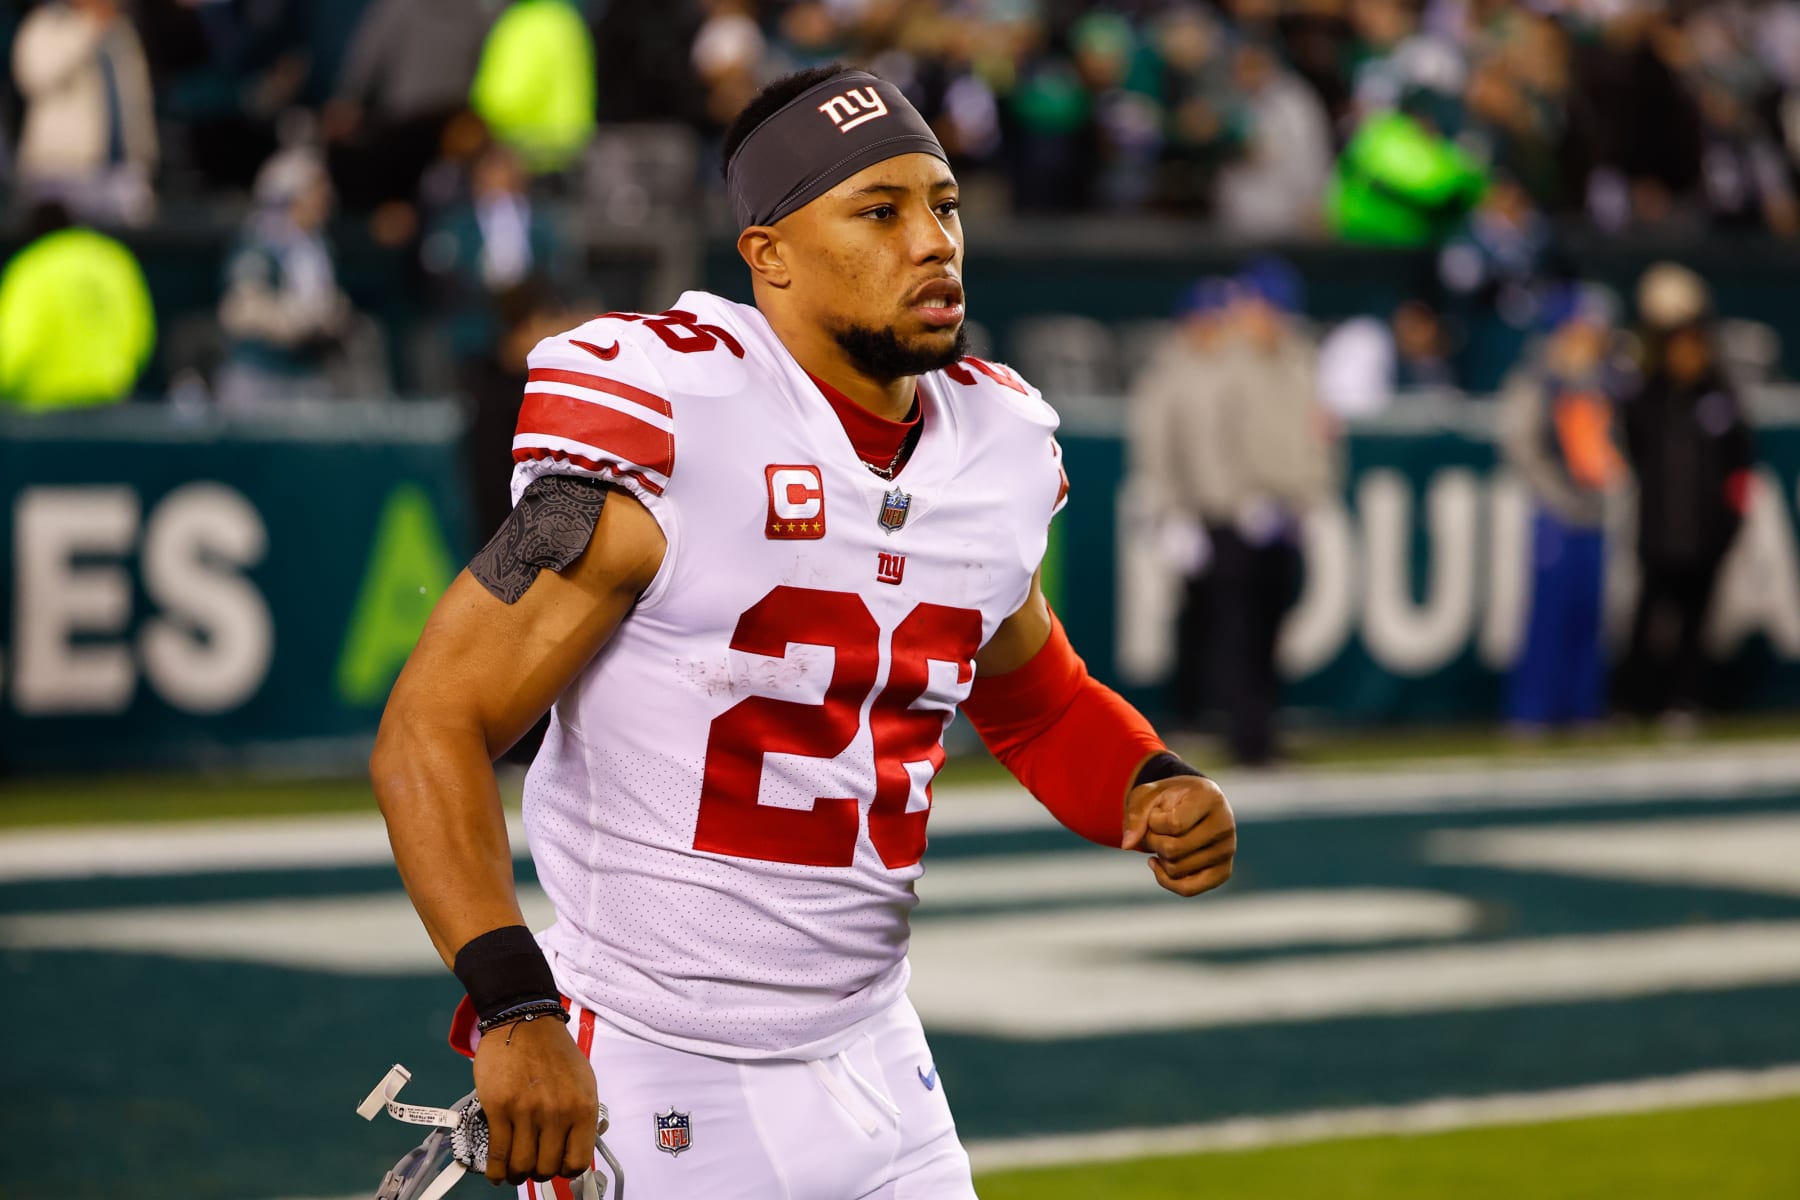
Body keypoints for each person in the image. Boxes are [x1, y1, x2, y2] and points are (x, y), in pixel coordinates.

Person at [370, 64, 1236, 1198]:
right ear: (768, 254)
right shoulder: (675, 424)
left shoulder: (997, 446)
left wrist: (1147, 780)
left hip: (877, 1054)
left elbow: (1037, 697)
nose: (932, 241)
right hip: (648, 1060)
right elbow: (430, 726)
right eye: (879, 211)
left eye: (944, 205)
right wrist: (513, 1003)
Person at [1191, 259, 1336, 765]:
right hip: (1239, 515)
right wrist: (1234, 501)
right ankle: (1244, 737)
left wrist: (1309, 496)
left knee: (1273, 629)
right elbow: (1210, 443)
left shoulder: (1299, 359)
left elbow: (1319, 433)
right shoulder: (1224, 361)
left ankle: (1265, 730)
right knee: (1238, 630)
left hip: (1285, 512)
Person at [1616, 263, 1756, 727]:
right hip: (1660, 529)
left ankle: (1685, 700)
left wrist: (1730, 521)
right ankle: (1634, 702)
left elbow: (1740, 461)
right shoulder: (1651, 394)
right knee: (1648, 619)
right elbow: (1632, 445)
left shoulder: (1718, 395)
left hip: (1705, 530)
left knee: (1696, 622)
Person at [1497, 285, 1626, 734]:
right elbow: (1521, 445)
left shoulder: (1601, 379)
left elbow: (1609, 445)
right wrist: (1555, 494)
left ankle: (1582, 707)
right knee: (1549, 615)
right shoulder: (1539, 378)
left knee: (1588, 615)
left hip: (1594, 510)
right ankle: (1532, 711)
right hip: (1555, 511)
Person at [216, 146, 353, 411]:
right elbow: (240, 312)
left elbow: (327, 301)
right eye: (313, 192)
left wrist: (333, 315)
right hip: (259, 375)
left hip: (308, 373)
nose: (322, 201)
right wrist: (295, 320)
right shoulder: (258, 244)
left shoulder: (318, 247)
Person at [11, 0, 158, 226]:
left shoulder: (121, 28)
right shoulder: (48, 22)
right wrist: (88, 27)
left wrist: (144, 151)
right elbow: (35, 76)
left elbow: (136, 97)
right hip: (61, 170)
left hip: (121, 169)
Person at [0, 202, 154, 410]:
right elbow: (140, 334)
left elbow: (16, 345)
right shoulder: (114, 260)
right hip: (109, 402)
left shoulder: (31, 266)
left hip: (42, 412)